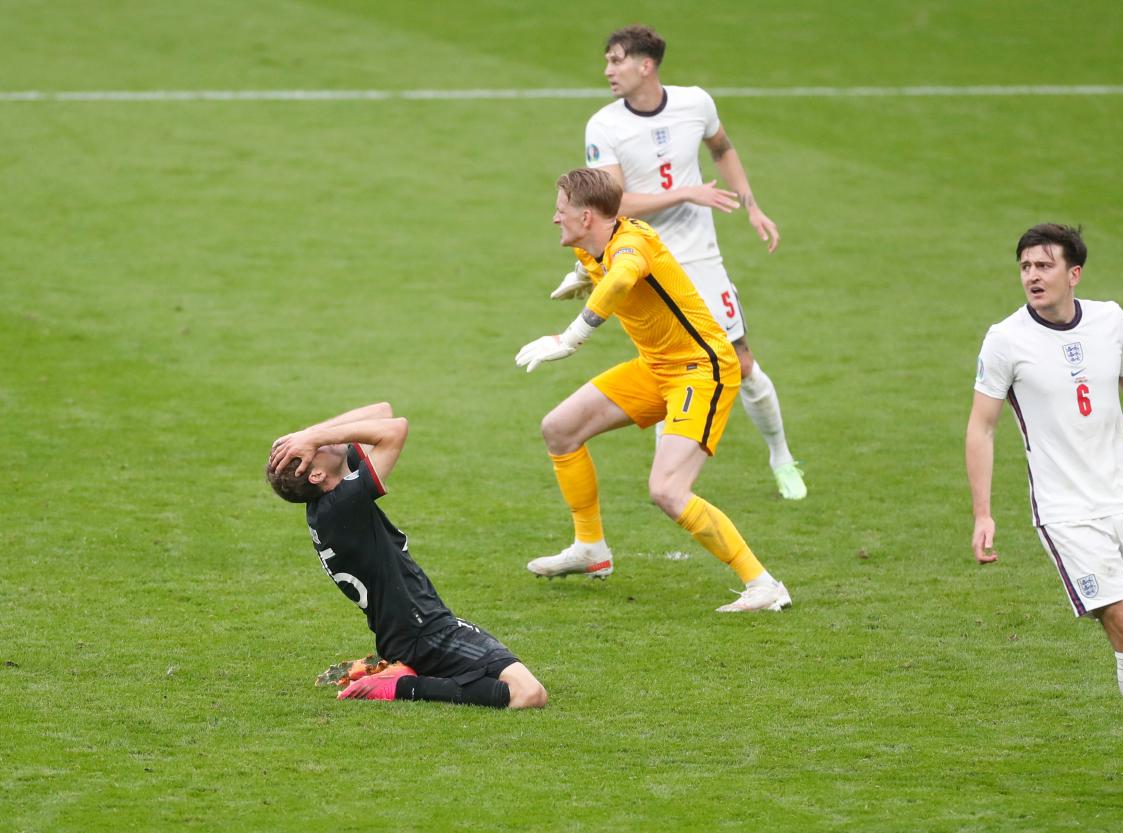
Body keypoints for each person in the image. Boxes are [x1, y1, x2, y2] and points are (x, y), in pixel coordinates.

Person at [964, 224, 1123, 812]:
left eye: (1044, 265)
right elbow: (981, 426)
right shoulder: (1005, 340)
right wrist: (984, 512)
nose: (1032, 275)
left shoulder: (1110, 320)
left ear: (1073, 273)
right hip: (1067, 513)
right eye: (1025, 266)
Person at [516, 167, 791, 613]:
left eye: (561, 210)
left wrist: (569, 339)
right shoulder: (598, 245)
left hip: (701, 371)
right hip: (657, 367)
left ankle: (764, 585)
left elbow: (624, 277)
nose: (554, 219)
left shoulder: (628, 245)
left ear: (587, 217)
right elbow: (612, 273)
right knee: (559, 429)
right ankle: (591, 550)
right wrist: (586, 277)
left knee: (668, 490)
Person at [550, 24, 806, 501]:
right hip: (643, 263)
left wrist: (751, 205)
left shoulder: (695, 103)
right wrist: (685, 191)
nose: (607, 70)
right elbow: (614, 205)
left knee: (743, 363)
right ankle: (671, 482)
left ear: (645, 65)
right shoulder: (604, 125)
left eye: (616, 60)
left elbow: (723, 149)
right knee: (666, 365)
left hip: (701, 260)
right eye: (606, 60)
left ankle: (781, 456)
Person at [267, 402, 548, 708]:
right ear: (317, 475)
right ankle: (402, 685)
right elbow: (395, 430)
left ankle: (399, 668)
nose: (325, 442)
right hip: (425, 634)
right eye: (315, 448)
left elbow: (382, 413)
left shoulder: (331, 499)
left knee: (497, 672)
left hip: (411, 631)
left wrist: (309, 435)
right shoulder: (342, 504)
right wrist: (316, 436)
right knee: (529, 694)